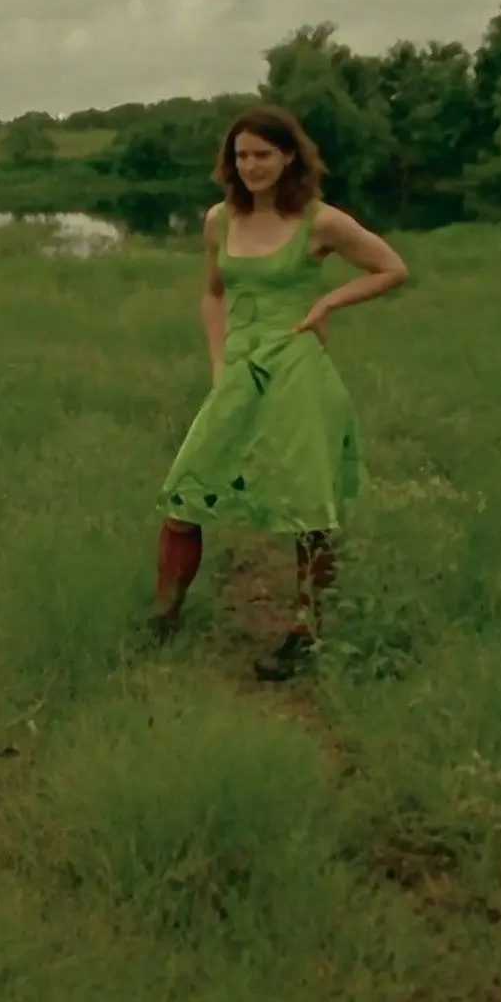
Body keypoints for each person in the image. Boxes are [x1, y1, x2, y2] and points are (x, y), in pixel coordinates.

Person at [151, 105, 409, 682]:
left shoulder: (319, 222)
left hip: (296, 370)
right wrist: (219, 362)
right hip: (240, 371)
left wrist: (325, 304)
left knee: (307, 506)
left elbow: (391, 268)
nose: (251, 166)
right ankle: (163, 618)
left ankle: (305, 631)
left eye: (263, 154)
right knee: (184, 494)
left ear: (289, 156)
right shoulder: (219, 220)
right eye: (241, 155)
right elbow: (213, 295)